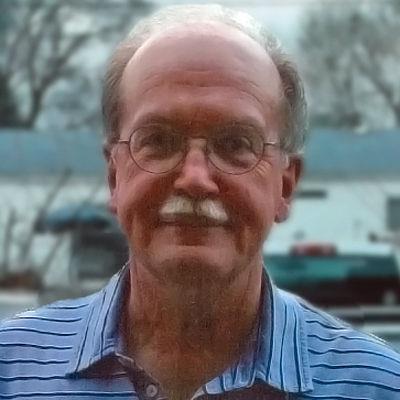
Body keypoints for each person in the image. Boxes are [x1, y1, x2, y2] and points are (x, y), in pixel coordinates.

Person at [1, 4, 399, 399]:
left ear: (285, 185)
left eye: (235, 144)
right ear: (114, 177)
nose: (194, 178)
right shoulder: (11, 371)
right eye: (158, 140)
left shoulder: (378, 387)